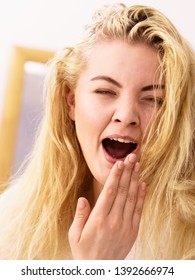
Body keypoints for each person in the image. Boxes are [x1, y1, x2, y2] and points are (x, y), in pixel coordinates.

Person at [0, 3, 195, 260]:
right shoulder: (12, 223)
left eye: (154, 99)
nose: (126, 115)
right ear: (71, 101)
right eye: (105, 92)